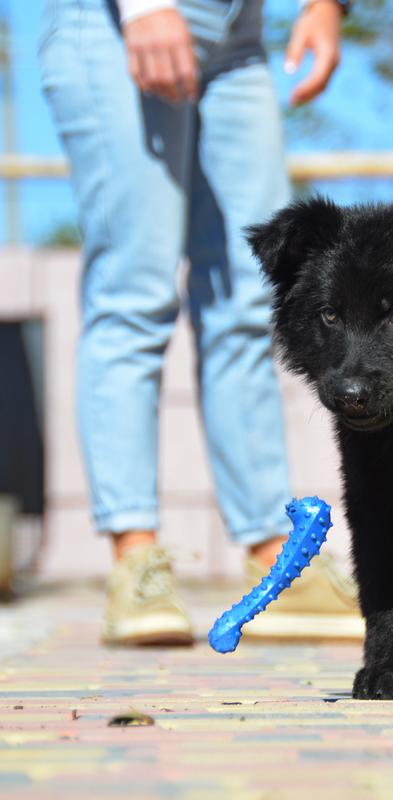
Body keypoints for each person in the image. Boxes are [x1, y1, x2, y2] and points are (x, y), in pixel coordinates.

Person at [39, 0, 361, 645]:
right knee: (135, 294)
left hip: (237, 39)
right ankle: (135, 561)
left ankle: (278, 562)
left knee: (250, 300)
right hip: (112, 24)